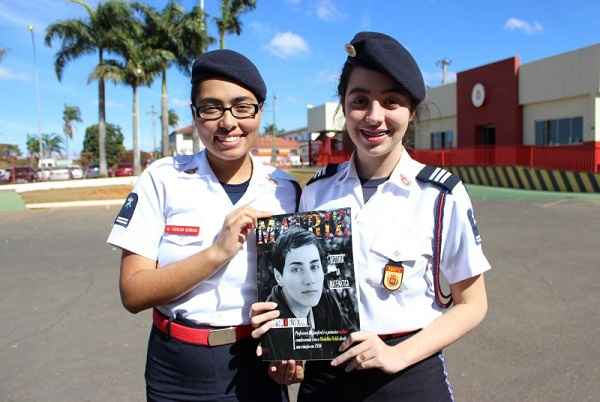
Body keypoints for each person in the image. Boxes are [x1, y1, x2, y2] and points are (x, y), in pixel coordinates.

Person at [251, 31, 491, 401]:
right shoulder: (317, 192)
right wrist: (288, 350)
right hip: (325, 377)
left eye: (391, 101)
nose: (374, 116)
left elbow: (473, 304)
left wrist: (396, 356)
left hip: (408, 373)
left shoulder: (441, 195)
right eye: (360, 100)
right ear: (344, 108)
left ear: (411, 112)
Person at [107, 49, 300, 402]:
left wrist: (296, 351)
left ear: (259, 112)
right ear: (195, 115)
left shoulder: (286, 190)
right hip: (178, 368)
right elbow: (133, 293)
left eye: (242, 107)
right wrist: (216, 253)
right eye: (211, 108)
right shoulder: (163, 179)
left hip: (259, 363)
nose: (228, 122)